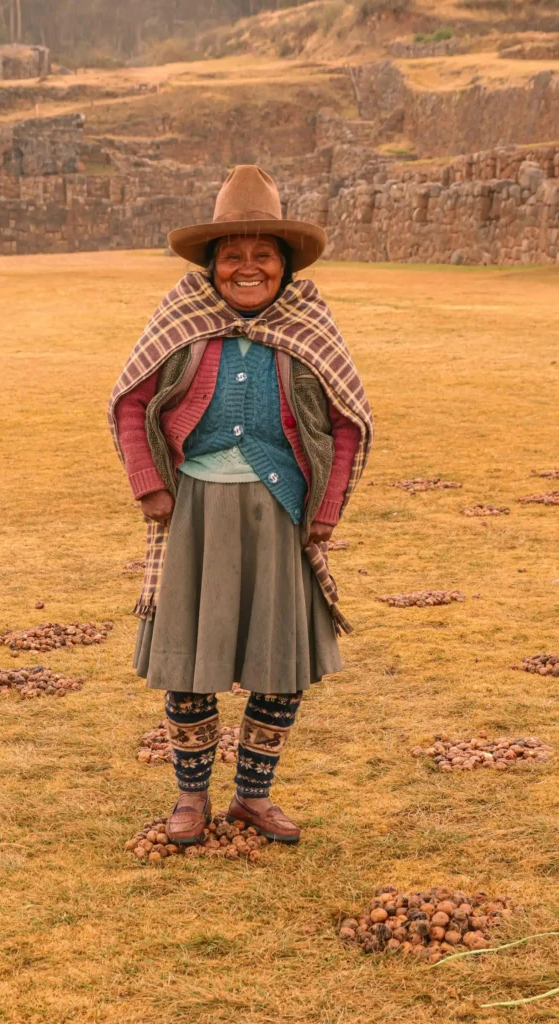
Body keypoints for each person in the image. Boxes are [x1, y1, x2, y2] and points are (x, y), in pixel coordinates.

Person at [109, 165, 373, 847]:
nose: (247, 268)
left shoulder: (310, 324)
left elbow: (347, 421)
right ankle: (190, 800)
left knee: (277, 664)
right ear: (211, 265)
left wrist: (327, 507)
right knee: (188, 662)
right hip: (194, 514)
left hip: (278, 515)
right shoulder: (181, 319)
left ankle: (253, 796)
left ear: (283, 266)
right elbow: (130, 402)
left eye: (263, 256)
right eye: (233, 256)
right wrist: (151, 484)